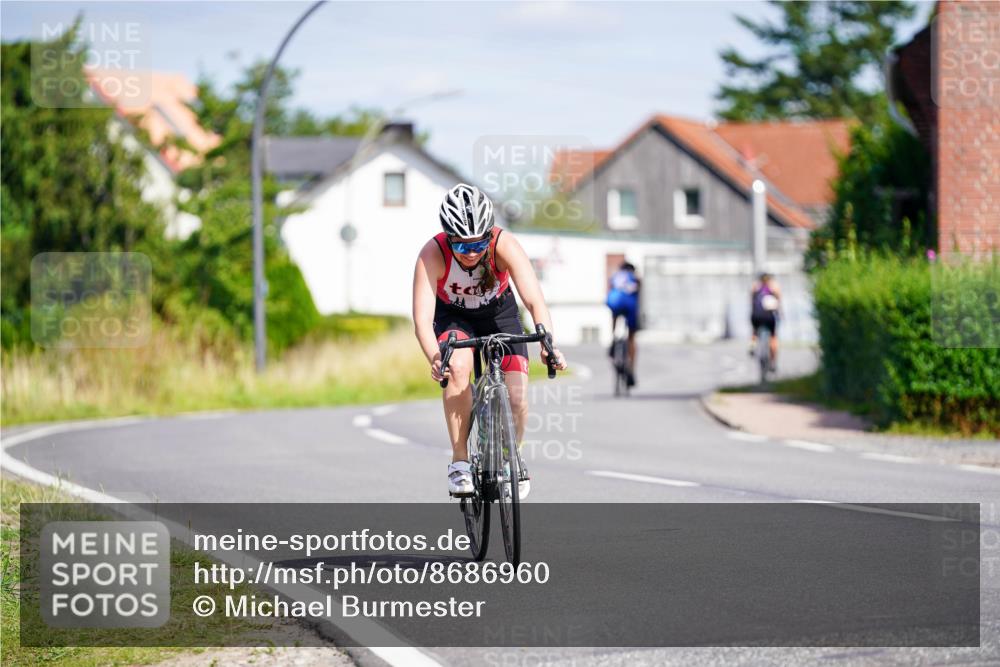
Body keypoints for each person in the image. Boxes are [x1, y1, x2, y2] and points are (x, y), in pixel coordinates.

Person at [412, 183, 567, 498]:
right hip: (455, 317)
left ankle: (512, 457)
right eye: (462, 245)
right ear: (448, 238)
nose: (471, 253)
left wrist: (548, 345)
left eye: (479, 243)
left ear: (489, 234)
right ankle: (460, 462)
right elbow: (422, 321)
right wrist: (436, 359)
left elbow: (535, 301)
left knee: (517, 397)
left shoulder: (504, 245)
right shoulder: (432, 254)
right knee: (457, 368)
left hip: (500, 314)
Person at [606, 261, 640, 387]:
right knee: (631, 337)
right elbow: (639, 297)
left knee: (614, 314)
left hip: (614, 303)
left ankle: (613, 340)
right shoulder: (635, 277)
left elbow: (610, 291)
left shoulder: (615, 276)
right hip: (629, 306)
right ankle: (631, 369)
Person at [749, 272, 781, 369]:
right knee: (773, 337)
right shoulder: (773, 287)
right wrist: (779, 314)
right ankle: (773, 362)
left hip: (756, 316)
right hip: (769, 317)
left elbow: (751, 302)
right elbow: (778, 302)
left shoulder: (755, 287)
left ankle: (752, 345)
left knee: (754, 331)